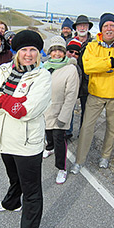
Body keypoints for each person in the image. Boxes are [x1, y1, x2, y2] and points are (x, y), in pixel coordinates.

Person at [0, 30, 51, 228]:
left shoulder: (42, 76)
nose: (28, 54)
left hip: (27, 142)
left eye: (33, 50)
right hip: (3, 137)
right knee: (14, 176)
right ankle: (11, 203)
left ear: (39, 53)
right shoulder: (4, 69)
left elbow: (25, 110)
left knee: (32, 191)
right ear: (16, 52)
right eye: (24, 50)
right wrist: (5, 100)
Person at [70, 13, 114, 174]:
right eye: (106, 26)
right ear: (101, 29)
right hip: (96, 93)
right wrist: (110, 63)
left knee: (112, 129)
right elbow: (88, 66)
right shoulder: (92, 46)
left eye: (112, 25)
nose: (109, 28)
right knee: (86, 127)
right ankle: (79, 160)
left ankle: (105, 156)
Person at [42, 36, 79, 184]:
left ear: (64, 52)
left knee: (59, 139)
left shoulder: (70, 69)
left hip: (60, 111)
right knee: (48, 134)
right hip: (45, 110)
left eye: (60, 51)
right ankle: (49, 147)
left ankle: (61, 169)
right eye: (53, 50)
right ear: (49, 52)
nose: (56, 53)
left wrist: (64, 116)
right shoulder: (44, 66)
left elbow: (71, 96)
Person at [72, 15, 94, 132]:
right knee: (69, 108)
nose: (82, 28)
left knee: (86, 111)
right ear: (76, 28)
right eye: (80, 25)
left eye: (84, 25)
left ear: (88, 28)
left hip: (87, 82)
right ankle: (67, 132)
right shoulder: (70, 42)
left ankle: (83, 133)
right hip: (72, 80)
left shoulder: (94, 43)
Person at [64, 38, 83, 140]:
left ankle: (68, 132)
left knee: (69, 114)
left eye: (76, 53)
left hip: (70, 96)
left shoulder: (78, 68)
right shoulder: (59, 63)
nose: (73, 54)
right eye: (71, 51)